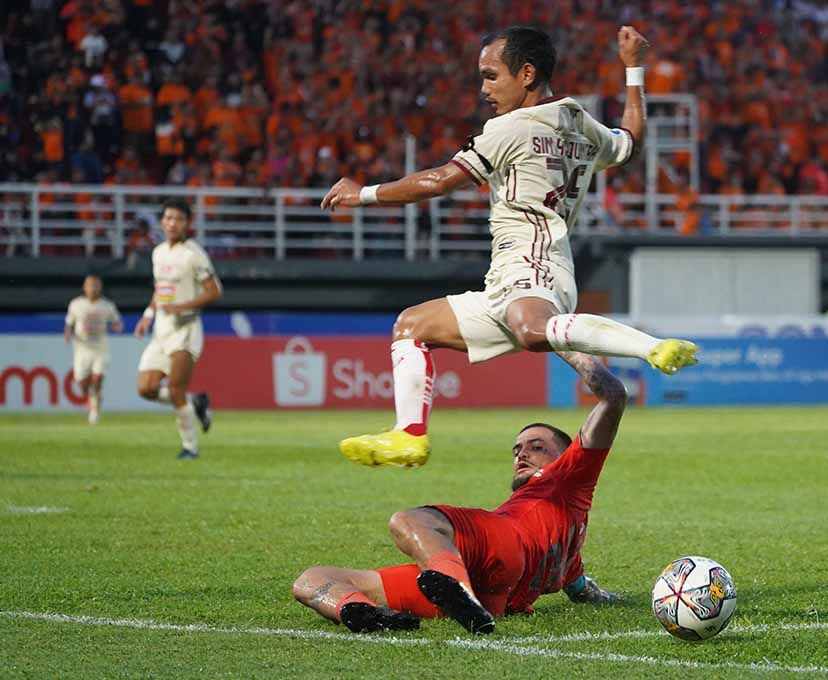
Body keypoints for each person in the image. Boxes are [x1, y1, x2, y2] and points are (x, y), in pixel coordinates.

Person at [319, 26, 697, 469]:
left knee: (531, 331)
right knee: (411, 326)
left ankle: (649, 346)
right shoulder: (582, 124)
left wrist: (361, 193)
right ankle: (409, 435)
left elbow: (440, 181)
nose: (484, 89)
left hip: (534, 264)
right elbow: (629, 143)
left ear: (527, 74)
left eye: (491, 76)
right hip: (511, 277)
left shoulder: (510, 127)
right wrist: (633, 69)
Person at [292, 352, 625, 635]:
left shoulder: (570, 476)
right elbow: (582, 589)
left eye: (537, 447)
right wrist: (613, 599)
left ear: (566, 456)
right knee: (312, 580)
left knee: (409, 520)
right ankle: (364, 612)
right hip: (485, 584)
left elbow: (612, 395)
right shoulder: (566, 545)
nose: (521, 454)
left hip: (497, 547)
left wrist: (561, 342)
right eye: (516, 450)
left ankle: (458, 592)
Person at [133, 198, 221, 459]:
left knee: (175, 388)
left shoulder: (193, 254)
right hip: (162, 330)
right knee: (146, 389)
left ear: (187, 223)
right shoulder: (158, 252)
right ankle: (197, 402)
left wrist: (183, 306)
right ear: (162, 221)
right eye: (169, 218)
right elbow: (161, 290)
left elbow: (214, 291)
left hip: (186, 330)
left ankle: (190, 447)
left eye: (179, 219)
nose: (173, 223)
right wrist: (148, 315)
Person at [64, 275, 123, 425]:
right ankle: (92, 398)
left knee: (97, 380)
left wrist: (117, 327)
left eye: (96, 285)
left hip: (100, 349)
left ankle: (94, 411)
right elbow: (69, 323)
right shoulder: (76, 304)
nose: (93, 288)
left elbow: (117, 321)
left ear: (100, 287)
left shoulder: (107, 306)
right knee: (83, 385)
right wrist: (68, 333)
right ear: (84, 287)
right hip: (82, 350)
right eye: (90, 285)